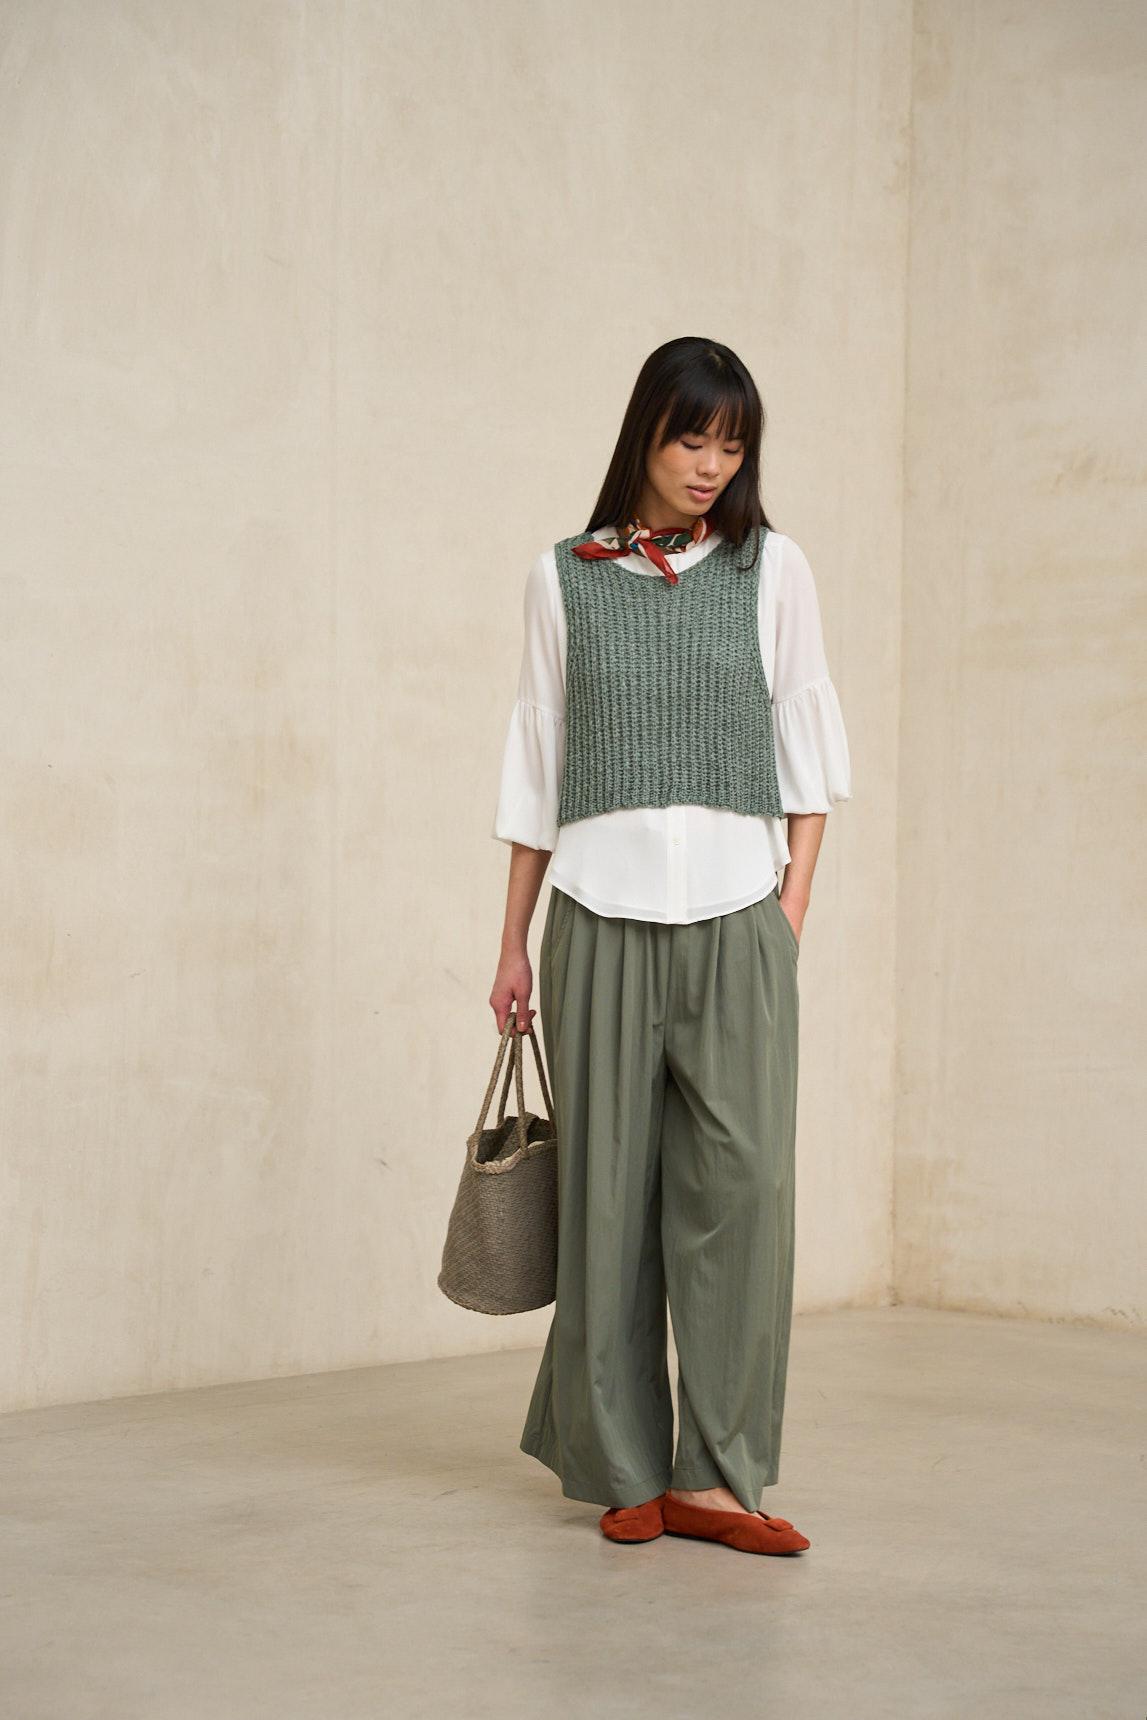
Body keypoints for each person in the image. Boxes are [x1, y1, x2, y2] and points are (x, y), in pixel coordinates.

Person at [488, 336, 851, 1557]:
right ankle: (622, 1466)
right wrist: (512, 945)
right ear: (645, 433)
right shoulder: (562, 576)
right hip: (595, 918)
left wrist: (788, 914)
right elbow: (538, 765)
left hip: (739, 920)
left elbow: (807, 751)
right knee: (606, 1199)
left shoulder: (772, 569)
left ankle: (719, 1475)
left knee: (743, 1195)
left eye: (732, 445)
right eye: (692, 438)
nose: (710, 465)